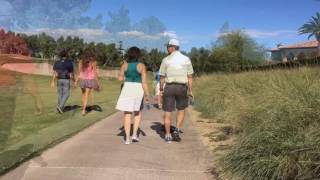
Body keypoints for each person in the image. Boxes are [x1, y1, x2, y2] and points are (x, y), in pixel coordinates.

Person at [159, 39, 194, 143]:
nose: (167, 48)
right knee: (181, 110)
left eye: (168, 46)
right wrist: (190, 90)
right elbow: (190, 77)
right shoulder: (186, 59)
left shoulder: (166, 60)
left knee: (168, 111)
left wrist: (161, 89)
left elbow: (161, 77)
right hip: (182, 87)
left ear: (173, 47)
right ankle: (177, 130)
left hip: (169, 87)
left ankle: (168, 135)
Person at [116, 46, 150, 145]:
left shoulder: (124, 65)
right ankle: (135, 135)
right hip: (138, 89)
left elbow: (120, 79)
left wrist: (121, 72)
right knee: (137, 112)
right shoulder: (142, 66)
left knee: (127, 113)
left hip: (127, 88)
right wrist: (147, 95)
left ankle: (127, 139)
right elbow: (144, 82)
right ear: (138, 55)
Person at [75, 49, 101, 116]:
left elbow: (79, 72)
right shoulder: (93, 62)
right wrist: (98, 83)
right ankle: (84, 110)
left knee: (83, 94)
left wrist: (76, 81)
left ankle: (83, 108)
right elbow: (95, 73)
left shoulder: (81, 61)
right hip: (90, 80)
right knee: (86, 94)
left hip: (82, 80)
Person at [51, 49, 74, 114]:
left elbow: (55, 73)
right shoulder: (69, 62)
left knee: (60, 94)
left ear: (60, 55)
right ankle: (60, 107)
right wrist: (73, 80)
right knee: (66, 94)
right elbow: (71, 74)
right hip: (66, 80)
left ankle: (58, 109)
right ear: (67, 55)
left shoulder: (57, 62)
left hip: (59, 80)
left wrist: (52, 81)